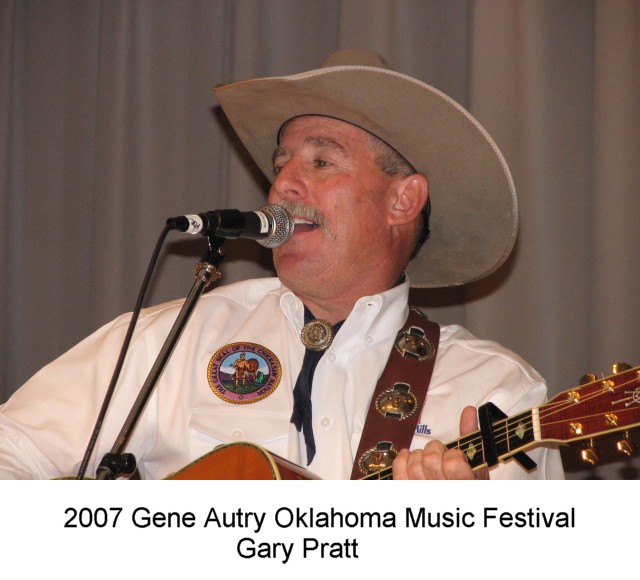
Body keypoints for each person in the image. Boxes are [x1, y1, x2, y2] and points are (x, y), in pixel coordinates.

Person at [0, 49, 564, 480]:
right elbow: (12, 449)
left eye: (321, 161)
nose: (282, 185)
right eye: (281, 163)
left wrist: (463, 535)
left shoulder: (493, 392)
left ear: (402, 200)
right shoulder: (176, 340)